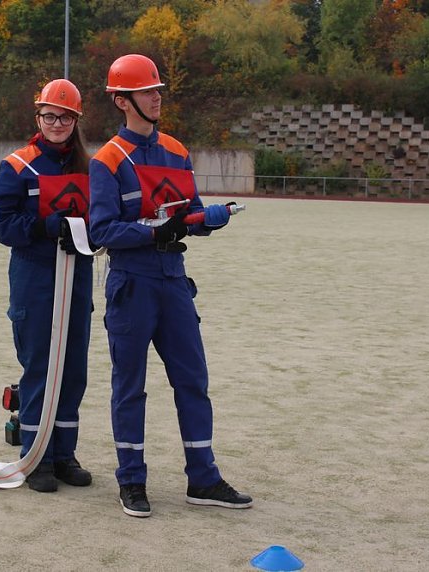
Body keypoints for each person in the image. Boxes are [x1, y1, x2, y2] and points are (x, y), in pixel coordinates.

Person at [88, 54, 252, 517]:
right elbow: (102, 232)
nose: (157, 96)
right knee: (129, 387)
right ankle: (132, 482)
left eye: (158, 89)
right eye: (146, 91)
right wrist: (153, 233)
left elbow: (188, 218)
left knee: (193, 381)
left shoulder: (178, 151)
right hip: (132, 281)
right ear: (122, 101)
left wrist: (208, 219)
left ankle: (203, 479)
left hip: (174, 280)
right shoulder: (106, 160)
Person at [0, 78, 93, 493]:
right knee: (40, 368)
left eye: (65, 117)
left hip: (79, 275)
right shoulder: (17, 165)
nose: (57, 123)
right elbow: (0, 222)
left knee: (73, 370)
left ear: (75, 120)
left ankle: (65, 455)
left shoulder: (90, 165)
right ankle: (37, 457)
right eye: (50, 115)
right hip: (35, 276)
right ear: (38, 117)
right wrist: (42, 227)